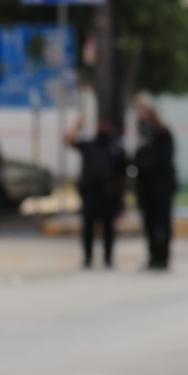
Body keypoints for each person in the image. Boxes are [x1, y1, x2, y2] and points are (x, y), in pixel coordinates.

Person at [66, 114, 128, 269]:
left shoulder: (117, 147)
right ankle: (88, 258)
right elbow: (69, 140)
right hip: (90, 194)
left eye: (106, 124)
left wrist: (121, 194)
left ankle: (108, 258)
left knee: (108, 228)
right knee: (88, 227)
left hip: (109, 194)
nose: (103, 127)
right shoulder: (90, 144)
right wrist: (77, 124)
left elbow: (125, 172)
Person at [132, 99, 177, 271]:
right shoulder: (143, 140)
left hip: (162, 188)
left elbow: (159, 125)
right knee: (149, 224)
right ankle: (153, 257)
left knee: (163, 224)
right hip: (146, 189)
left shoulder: (162, 134)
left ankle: (163, 257)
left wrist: (148, 109)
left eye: (145, 119)